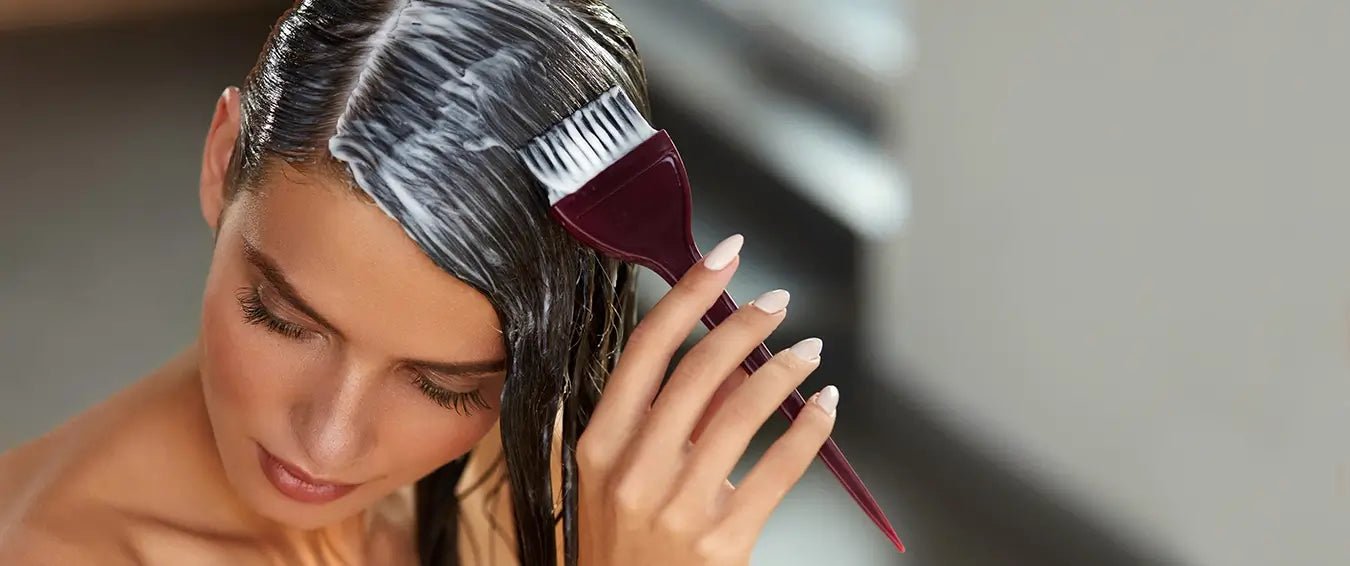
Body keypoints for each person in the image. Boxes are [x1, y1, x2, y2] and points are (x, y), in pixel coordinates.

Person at [0, 1, 839, 564]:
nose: (327, 442)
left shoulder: (529, 469)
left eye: (441, 386)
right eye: (283, 319)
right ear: (224, 161)